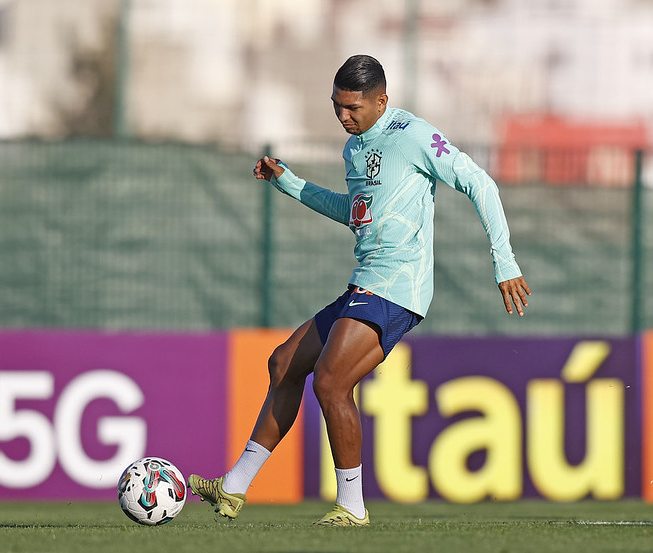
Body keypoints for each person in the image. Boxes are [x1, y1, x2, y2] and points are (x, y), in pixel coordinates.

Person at [188, 54, 531, 526]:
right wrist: (289, 183)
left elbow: (478, 182)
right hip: (367, 283)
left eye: (352, 107)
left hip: (399, 287)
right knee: (284, 364)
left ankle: (352, 506)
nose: (343, 116)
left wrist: (505, 261)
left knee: (331, 381)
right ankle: (234, 488)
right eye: (337, 106)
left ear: (381, 100)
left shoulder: (411, 135)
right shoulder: (354, 150)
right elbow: (356, 213)